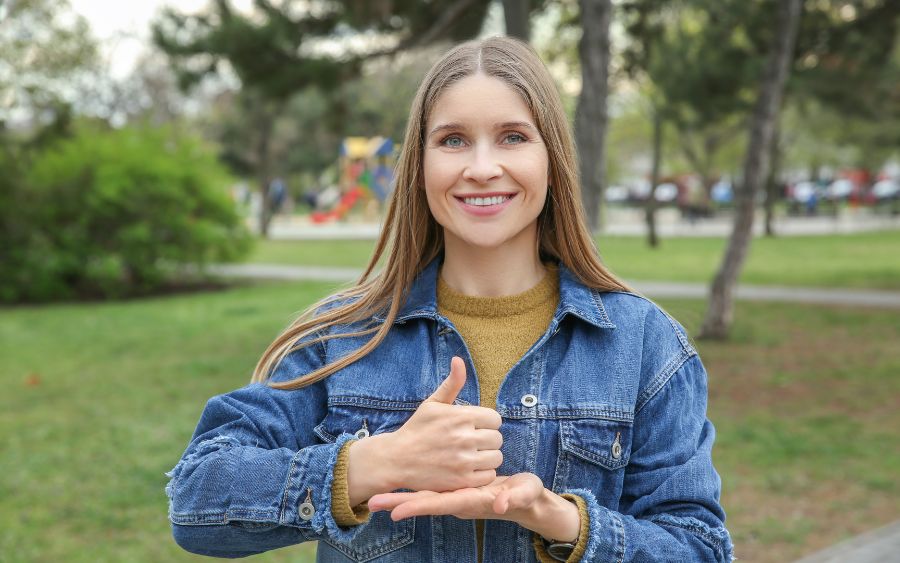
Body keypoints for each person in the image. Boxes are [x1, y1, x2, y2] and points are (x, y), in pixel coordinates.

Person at [166, 37, 734, 562]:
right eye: (453, 140)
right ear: (419, 167)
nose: (482, 168)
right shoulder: (342, 337)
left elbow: (700, 547)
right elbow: (195, 500)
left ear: (552, 161)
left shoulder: (645, 345)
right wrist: (375, 464)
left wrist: (558, 518)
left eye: (513, 136)